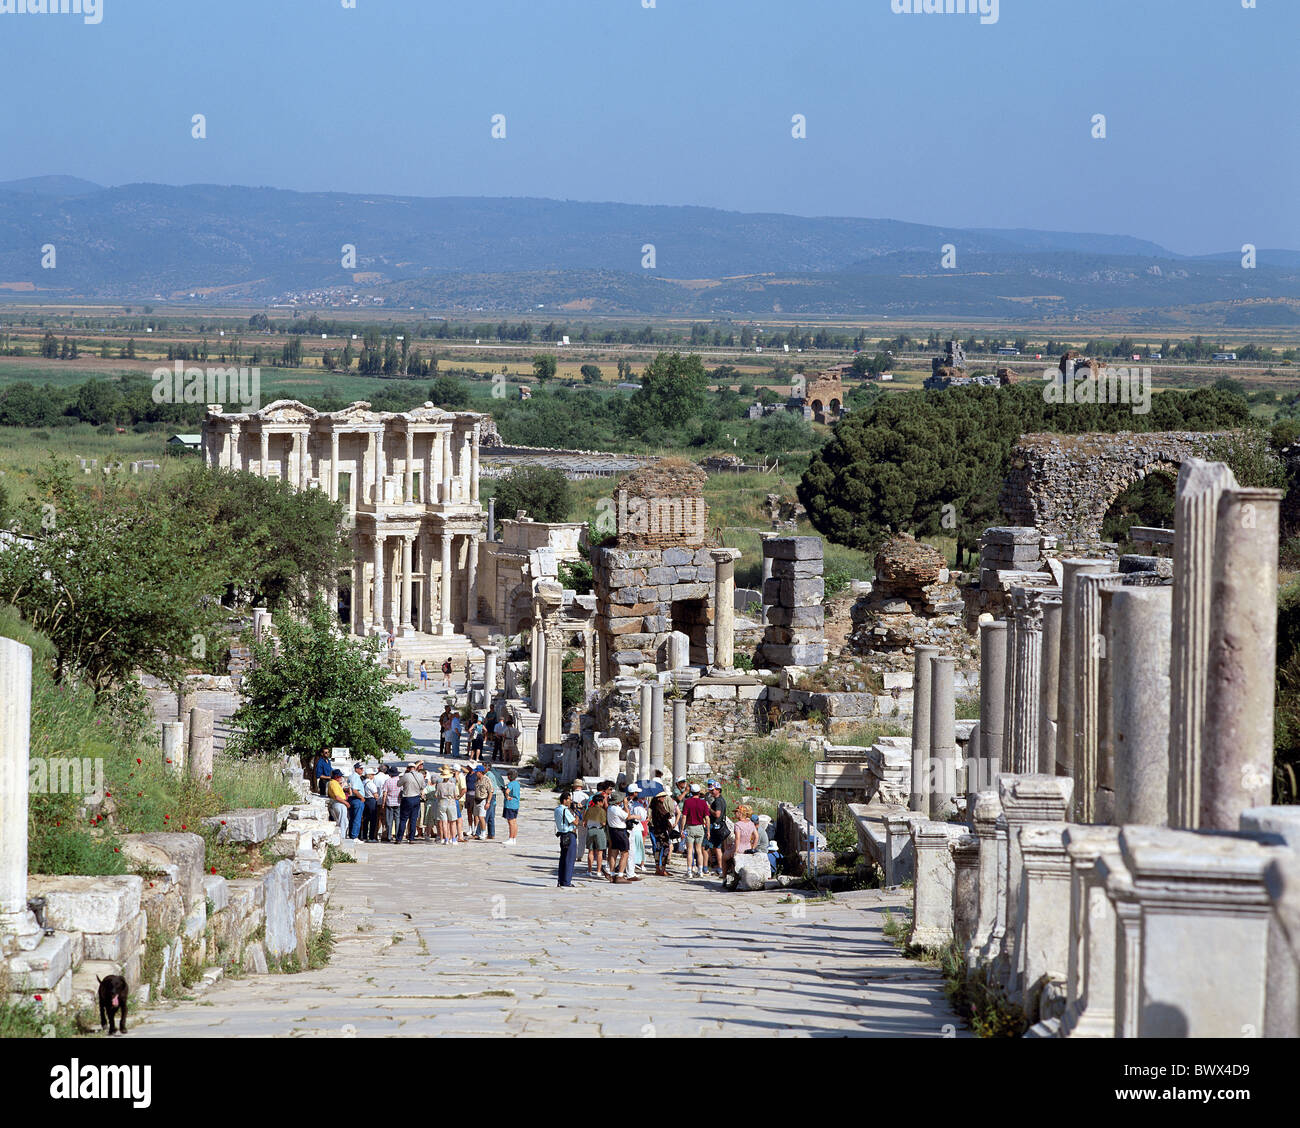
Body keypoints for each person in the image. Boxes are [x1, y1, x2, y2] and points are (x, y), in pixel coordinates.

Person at [606, 789, 638, 883]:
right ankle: (620, 875)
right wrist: (626, 805)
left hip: (613, 831)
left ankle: (612, 874)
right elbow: (627, 816)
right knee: (625, 853)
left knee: (614, 853)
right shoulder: (616, 809)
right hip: (620, 831)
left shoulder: (610, 808)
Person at [682, 783, 711, 878]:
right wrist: (708, 831)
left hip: (690, 827)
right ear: (699, 792)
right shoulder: (703, 803)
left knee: (690, 850)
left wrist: (682, 829)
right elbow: (707, 818)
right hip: (700, 828)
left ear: (691, 792)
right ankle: (700, 871)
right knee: (699, 850)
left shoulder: (687, 802)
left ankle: (689, 871)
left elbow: (684, 816)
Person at [723, 803, 759, 879]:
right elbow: (756, 836)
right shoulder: (751, 823)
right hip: (748, 848)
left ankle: (724, 877)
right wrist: (753, 847)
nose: (735, 814)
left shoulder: (737, 824)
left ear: (740, 813)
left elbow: (737, 838)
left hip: (739, 848)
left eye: (736, 812)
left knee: (724, 857)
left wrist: (735, 851)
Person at [650, 787, 679, 876]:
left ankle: (657, 868)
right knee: (666, 848)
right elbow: (667, 815)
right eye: (663, 797)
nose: (664, 798)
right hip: (662, 830)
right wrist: (669, 815)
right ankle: (663, 868)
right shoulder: (659, 806)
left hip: (656, 830)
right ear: (659, 798)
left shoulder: (654, 806)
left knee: (658, 849)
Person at [395, 761, 423, 844]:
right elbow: (423, 786)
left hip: (407, 798)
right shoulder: (420, 775)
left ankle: (399, 838)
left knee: (403, 819)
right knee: (413, 819)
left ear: (408, 768)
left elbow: (398, 784)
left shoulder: (406, 776)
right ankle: (411, 838)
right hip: (416, 798)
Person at [554, 790, 577, 888]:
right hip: (569, 834)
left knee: (563, 858)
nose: (570, 801)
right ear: (564, 800)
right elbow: (575, 822)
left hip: (562, 835)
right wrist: (576, 812)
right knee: (570, 858)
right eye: (569, 800)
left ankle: (561, 880)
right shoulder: (565, 810)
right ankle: (567, 881)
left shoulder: (557, 809)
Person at [707, 781, 729, 878]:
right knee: (718, 847)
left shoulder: (718, 801)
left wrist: (709, 808)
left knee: (717, 847)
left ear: (718, 790)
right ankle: (720, 868)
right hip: (720, 826)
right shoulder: (721, 800)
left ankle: (720, 868)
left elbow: (717, 814)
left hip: (717, 826)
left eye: (713, 790)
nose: (711, 792)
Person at [584, 790, 608, 878]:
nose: (603, 803)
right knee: (599, 852)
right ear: (599, 802)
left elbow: (584, 822)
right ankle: (598, 871)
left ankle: (589, 870)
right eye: (602, 801)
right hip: (599, 830)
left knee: (590, 851)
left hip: (590, 830)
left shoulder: (588, 810)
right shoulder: (601, 811)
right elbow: (603, 823)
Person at [434, 767, 459, 844]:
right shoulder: (453, 785)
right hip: (451, 803)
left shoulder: (439, 785)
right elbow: (456, 795)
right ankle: (454, 839)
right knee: (453, 822)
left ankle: (446, 839)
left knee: (444, 821)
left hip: (442, 803)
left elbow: (436, 795)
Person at [627, 785, 647, 879]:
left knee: (628, 850)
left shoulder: (626, 803)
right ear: (634, 793)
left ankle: (629, 870)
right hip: (636, 828)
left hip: (626, 827)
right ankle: (631, 872)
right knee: (633, 851)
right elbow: (643, 817)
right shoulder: (638, 805)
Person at [346, 761, 366, 840]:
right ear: (356, 769)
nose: (362, 770)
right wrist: (362, 797)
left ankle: (352, 835)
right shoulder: (356, 777)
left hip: (351, 798)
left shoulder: (351, 776)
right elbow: (355, 790)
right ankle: (354, 836)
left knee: (353, 818)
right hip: (357, 799)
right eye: (361, 769)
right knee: (357, 818)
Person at [361, 766, 381, 843]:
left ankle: (365, 836)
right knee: (373, 820)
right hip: (371, 800)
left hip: (365, 800)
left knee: (365, 819)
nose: (373, 776)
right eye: (372, 774)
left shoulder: (363, 782)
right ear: (369, 775)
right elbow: (375, 794)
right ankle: (371, 837)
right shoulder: (371, 784)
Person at [502, 769, 521, 845]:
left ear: (509, 776)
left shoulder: (511, 784)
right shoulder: (517, 783)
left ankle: (510, 838)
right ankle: (514, 838)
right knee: (514, 822)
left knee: (510, 822)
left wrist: (507, 796)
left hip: (510, 804)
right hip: (516, 804)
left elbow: (507, 792)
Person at [326, 769, 349, 835]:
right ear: (336, 776)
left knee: (343, 821)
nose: (341, 778)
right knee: (342, 821)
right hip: (339, 803)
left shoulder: (334, 783)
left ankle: (342, 835)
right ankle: (342, 836)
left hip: (339, 803)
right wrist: (346, 803)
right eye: (339, 776)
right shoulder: (333, 783)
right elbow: (337, 796)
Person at [382, 765, 401, 842]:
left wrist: (383, 803)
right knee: (397, 819)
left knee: (389, 820)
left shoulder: (387, 781)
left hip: (389, 802)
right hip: (398, 802)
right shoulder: (400, 781)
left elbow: (385, 793)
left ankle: (389, 836)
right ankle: (397, 835)